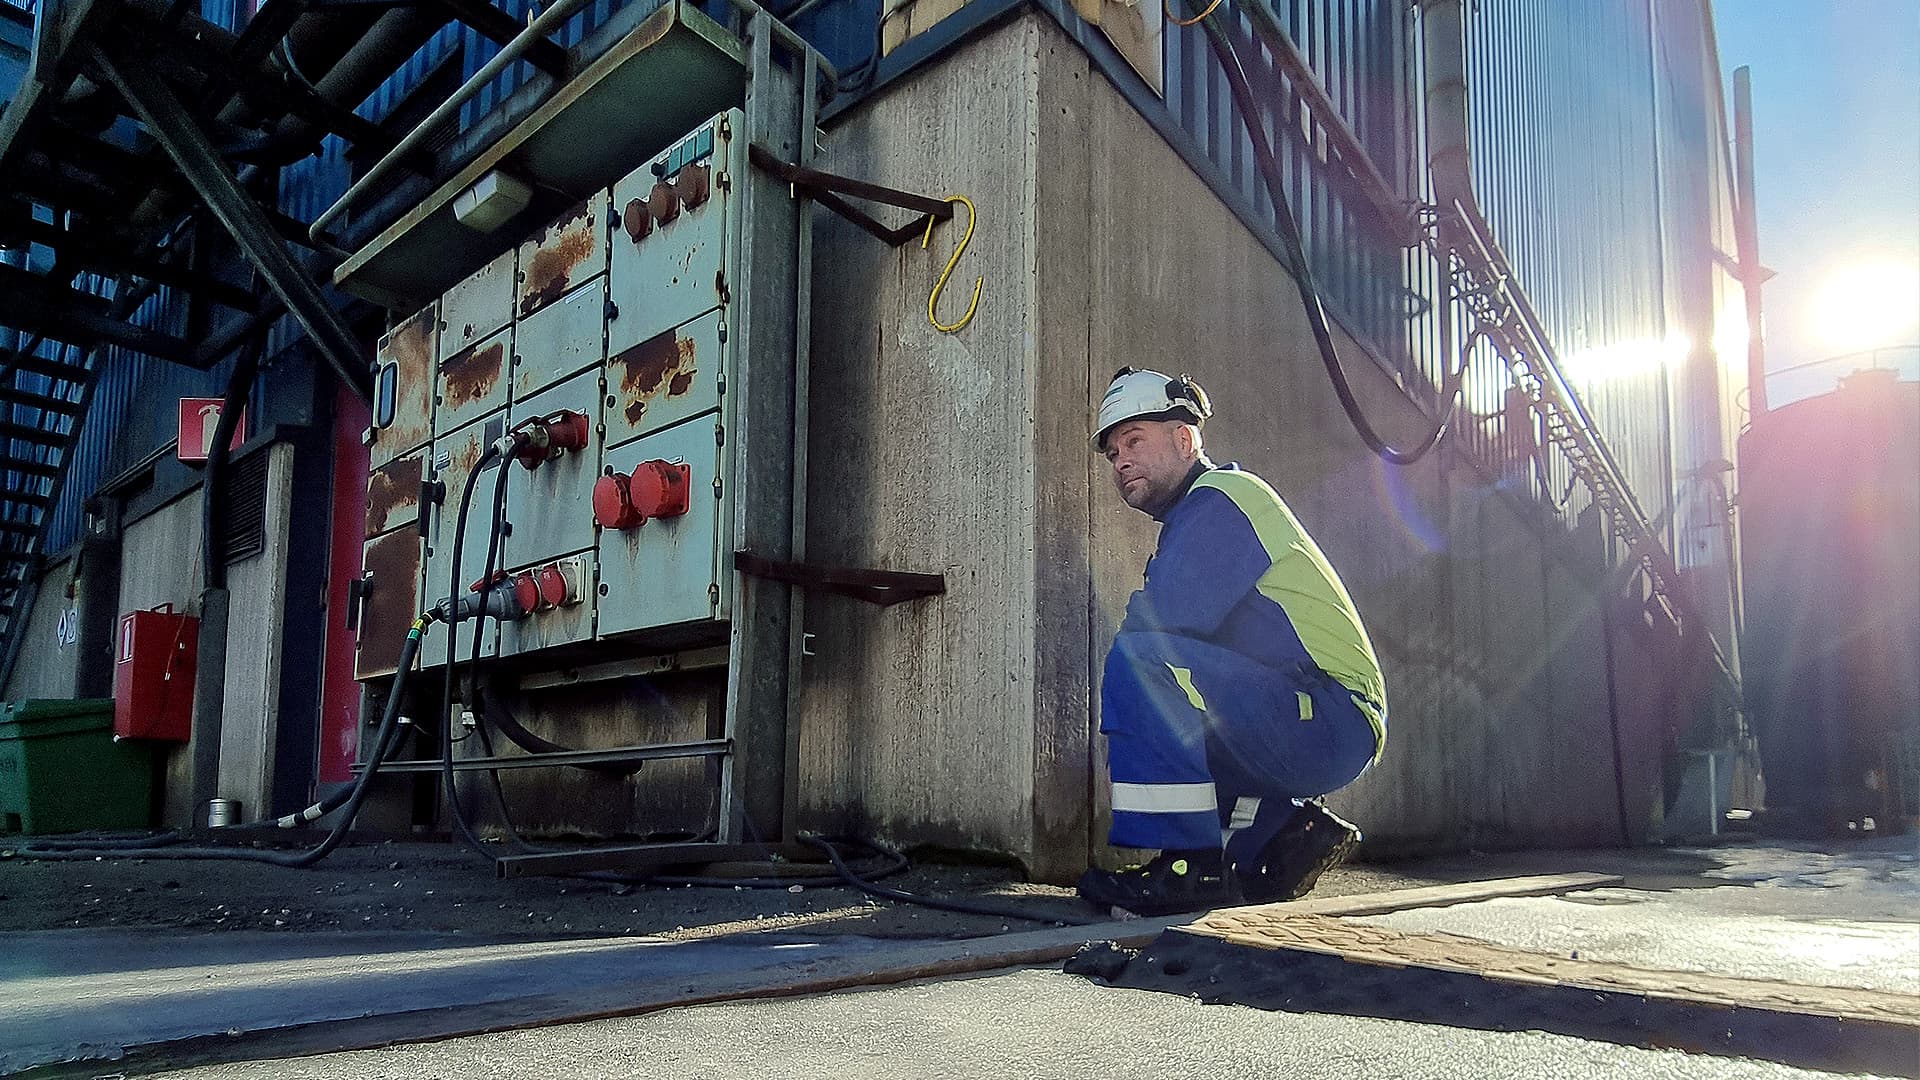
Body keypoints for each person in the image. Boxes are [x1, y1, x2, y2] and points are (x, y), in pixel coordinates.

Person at [1078, 368, 1387, 916]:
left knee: (1144, 663)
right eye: (1113, 453)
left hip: (1330, 715)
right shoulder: (1200, 514)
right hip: (1315, 715)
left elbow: (1159, 623)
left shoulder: (1223, 499)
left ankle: (1187, 868)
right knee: (1184, 699)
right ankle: (1280, 836)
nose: (1121, 460)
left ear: (1183, 438)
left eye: (1135, 440)